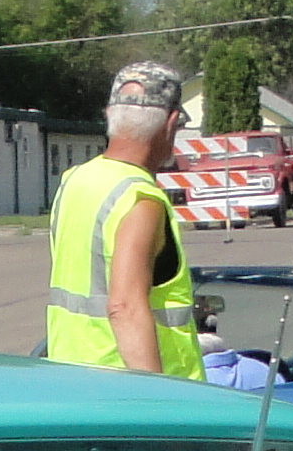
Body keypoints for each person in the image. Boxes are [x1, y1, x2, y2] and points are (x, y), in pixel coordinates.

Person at [44, 62, 204, 379]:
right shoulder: (140, 199)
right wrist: (155, 400)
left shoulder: (75, 181)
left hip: (71, 379)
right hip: (127, 395)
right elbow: (125, 307)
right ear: (171, 124)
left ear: (109, 115)